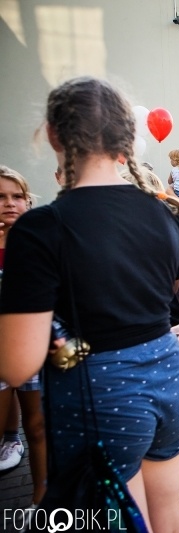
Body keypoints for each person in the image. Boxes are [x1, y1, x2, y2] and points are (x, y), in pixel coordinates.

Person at [0, 76, 179, 531]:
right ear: (125, 140)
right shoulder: (163, 209)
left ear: (54, 135)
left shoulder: (39, 229)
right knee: (168, 516)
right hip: (165, 377)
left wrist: (70, 345)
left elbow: (18, 367)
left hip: (101, 396)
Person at [0, 166, 46, 507]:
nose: (10, 204)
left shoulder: (38, 243)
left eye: (17, 196)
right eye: (1, 197)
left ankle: (41, 501)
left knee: (39, 428)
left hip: (34, 348)